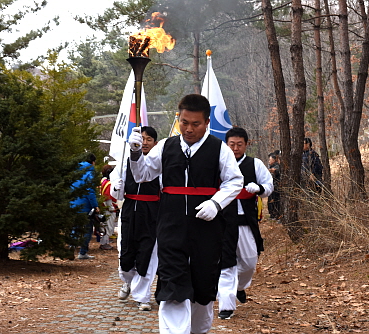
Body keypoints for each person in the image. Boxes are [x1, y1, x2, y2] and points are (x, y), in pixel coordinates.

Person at [128, 94, 243, 334]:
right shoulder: (166, 146)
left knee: (203, 286)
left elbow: (234, 181)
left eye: (195, 124)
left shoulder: (218, 148)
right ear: (178, 118)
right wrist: (136, 154)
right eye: (184, 122)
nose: (189, 129)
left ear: (207, 122)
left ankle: (198, 329)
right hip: (171, 224)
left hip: (207, 226)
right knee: (173, 283)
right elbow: (142, 175)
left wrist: (216, 203)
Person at [217, 127, 274, 320]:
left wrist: (258, 188)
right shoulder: (218, 164)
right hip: (223, 222)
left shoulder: (254, 164)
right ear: (226, 144)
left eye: (239, 144)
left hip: (246, 221)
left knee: (250, 262)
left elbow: (269, 186)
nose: (235, 148)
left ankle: (240, 286)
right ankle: (226, 305)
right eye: (231, 144)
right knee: (226, 265)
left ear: (246, 144)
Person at [110, 126, 160, 312]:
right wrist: (117, 186)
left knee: (147, 254)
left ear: (155, 143)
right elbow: (116, 190)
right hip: (130, 210)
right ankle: (128, 281)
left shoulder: (159, 163)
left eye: (149, 140)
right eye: (142, 138)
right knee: (126, 252)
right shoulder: (125, 162)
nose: (145, 142)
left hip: (151, 213)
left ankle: (142, 296)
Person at [70, 153, 100, 260]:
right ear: (92, 162)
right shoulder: (90, 174)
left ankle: (71, 247)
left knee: (75, 228)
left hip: (73, 204)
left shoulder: (75, 172)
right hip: (85, 206)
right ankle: (82, 252)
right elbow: (90, 192)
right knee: (87, 229)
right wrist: (95, 206)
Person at [99, 164, 117, 250]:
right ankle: (104, 243)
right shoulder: (109, 184)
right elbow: (107, 197)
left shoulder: (103, 182)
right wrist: (111, 208)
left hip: (105, 207)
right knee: (108, 227)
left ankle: (104, 242)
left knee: (105, 226)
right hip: (108, 208)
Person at [267, 151, 281, 220]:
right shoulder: (270, 167)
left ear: (274, 160)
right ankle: (272, 215)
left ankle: (276, 215)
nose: (269, 161)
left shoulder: (277, 167)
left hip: (276, 187)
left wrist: (273, 171)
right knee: (270, 201)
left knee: (275, 201)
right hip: (271, 187)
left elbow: (276, 173)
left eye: (270, 159)